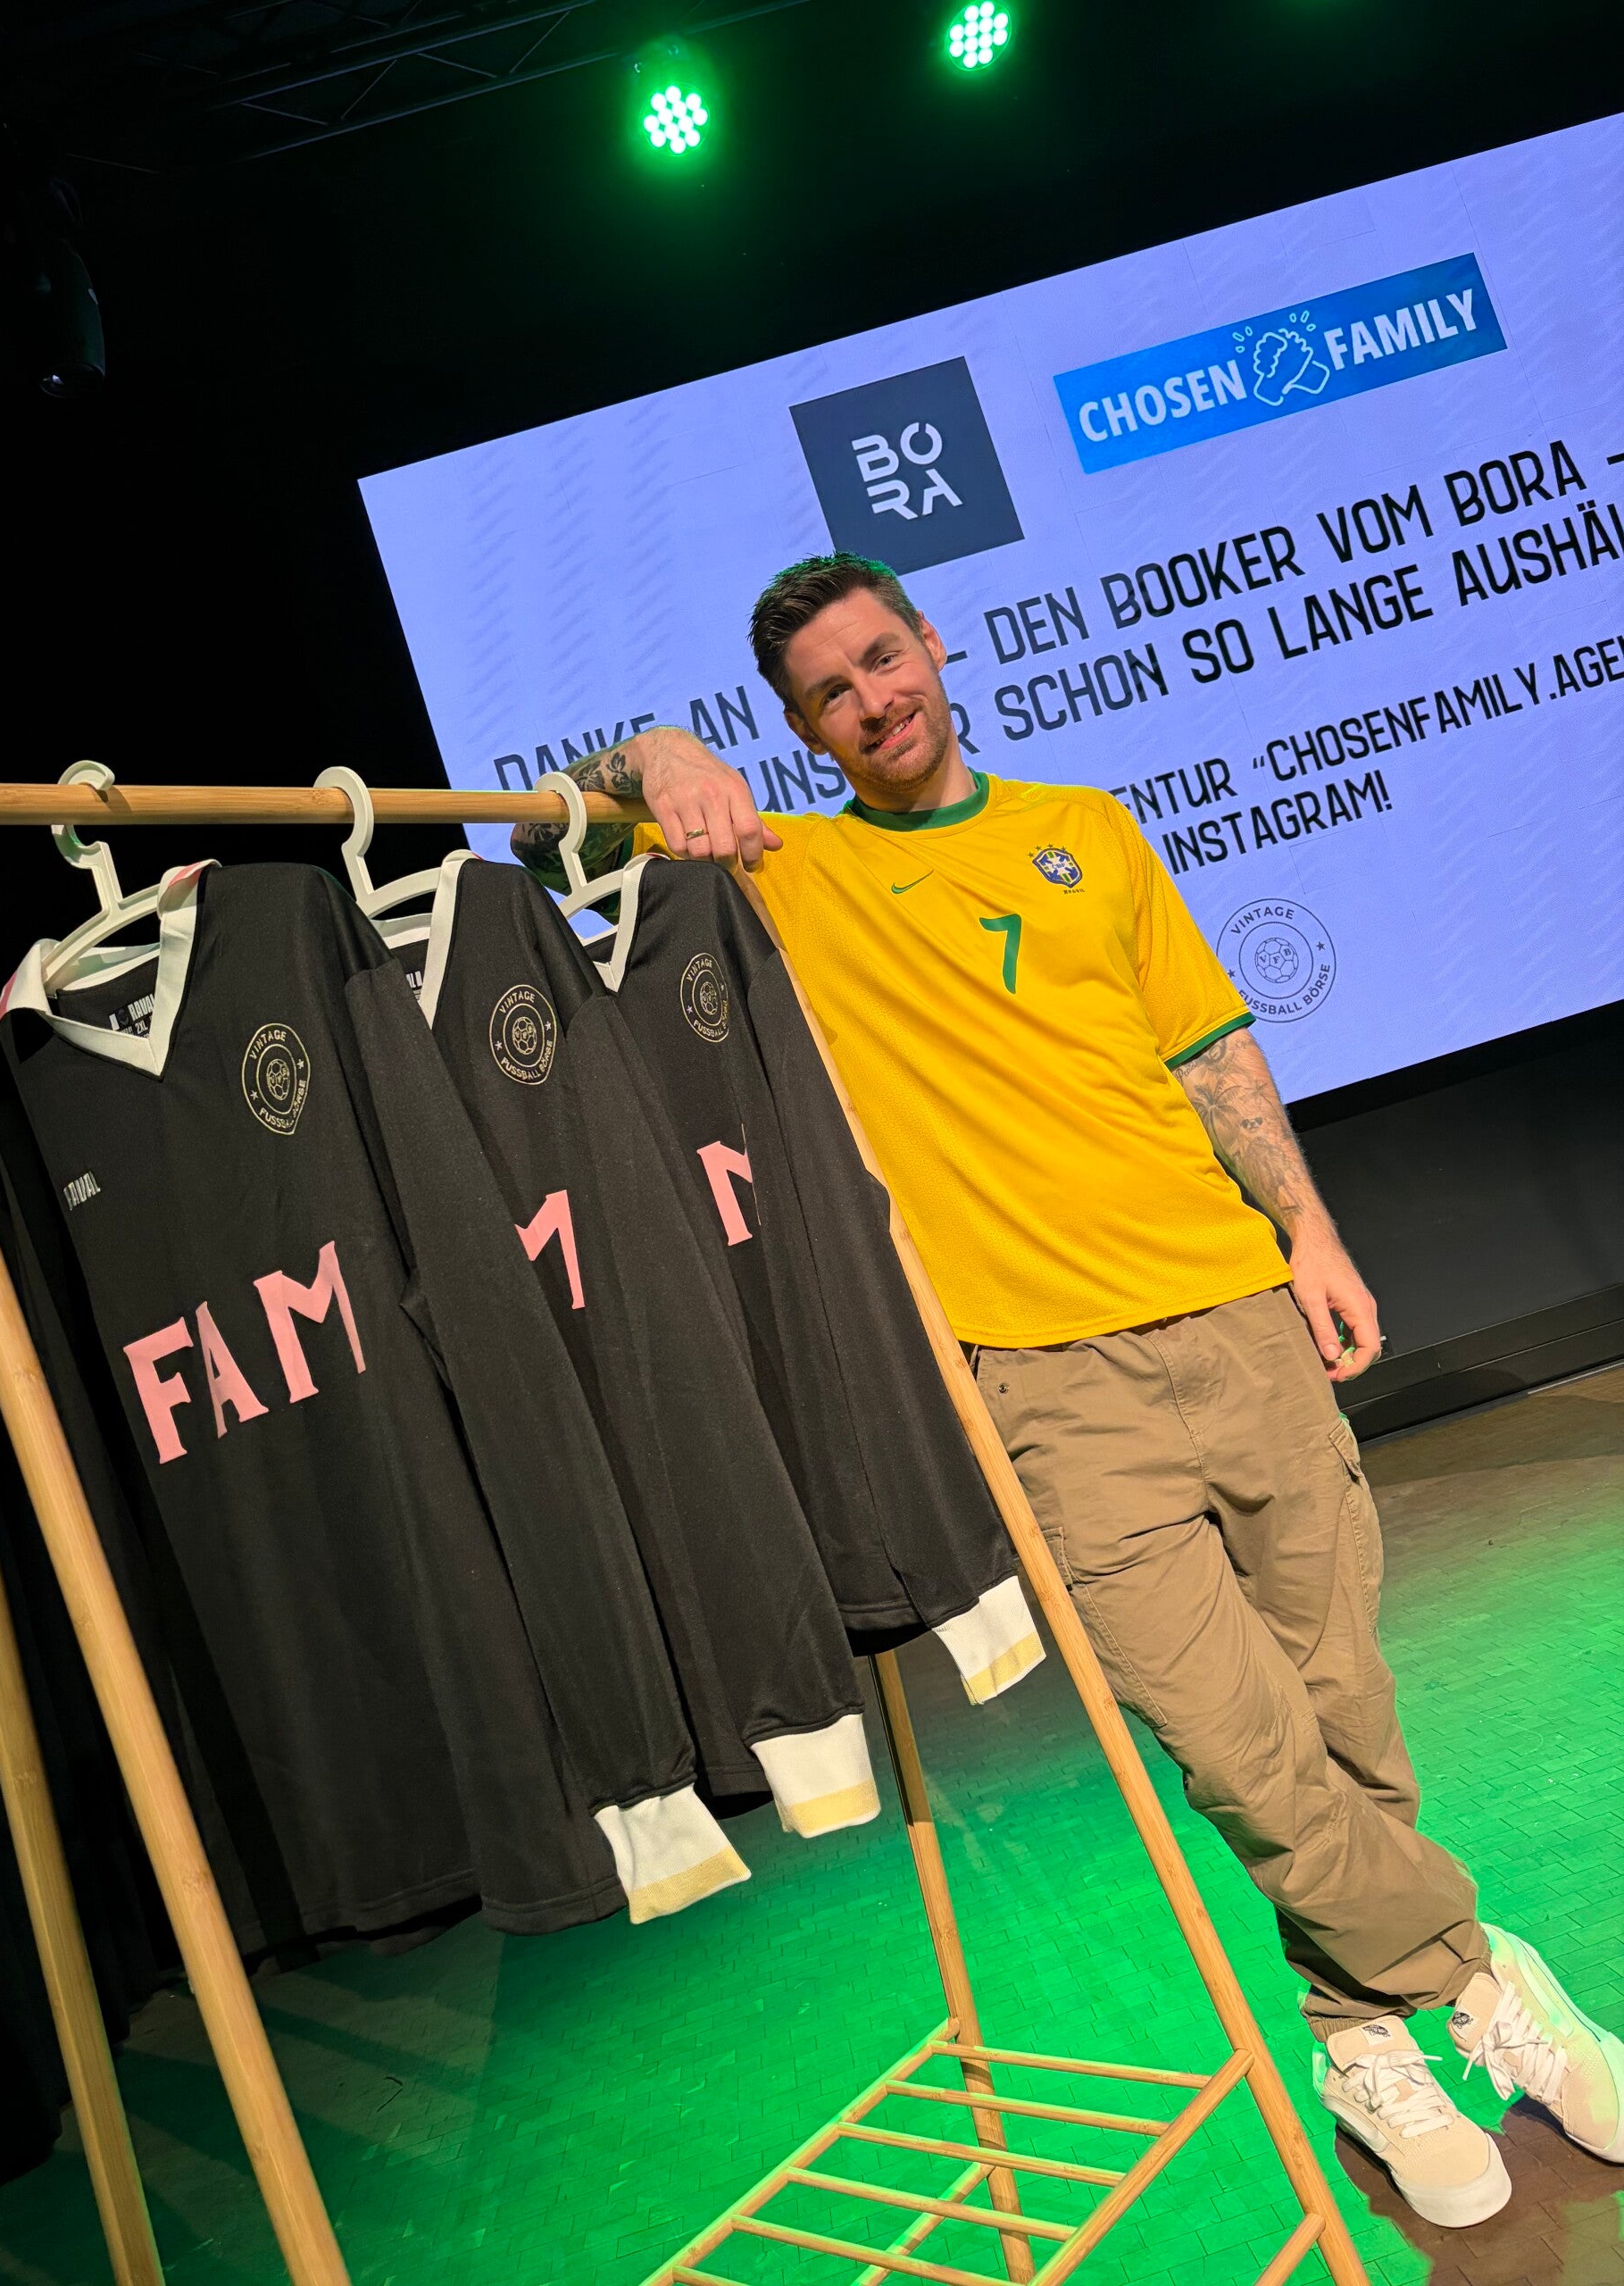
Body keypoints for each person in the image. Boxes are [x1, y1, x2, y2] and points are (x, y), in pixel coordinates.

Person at [513, 550, 1623, 2226]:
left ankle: (1361, 2044)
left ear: (933, 644)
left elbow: (1209, 1049)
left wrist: (1309, 1230)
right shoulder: (785, 874)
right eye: (831, 692)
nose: (874, 700)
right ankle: (1475, 1978)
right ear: (800, 731)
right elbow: (540, 843)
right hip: (1046, 1386)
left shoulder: (1088, 828)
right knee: (1237, 1745)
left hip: (1235, 1312)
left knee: (1343, 1712)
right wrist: (652, 757)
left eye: (884, 658)